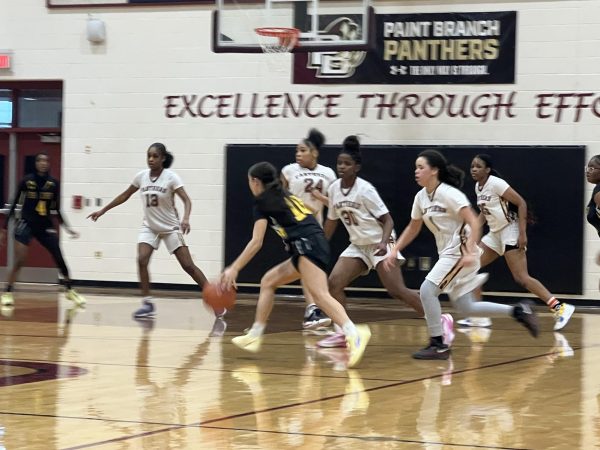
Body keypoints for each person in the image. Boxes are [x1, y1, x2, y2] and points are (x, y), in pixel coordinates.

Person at [383, 150, 539, 360]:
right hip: (449, 253)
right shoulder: (421, 197)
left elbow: (474, 221)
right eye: (416, 167)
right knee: (467, 307)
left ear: (434, 170)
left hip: (460, 251)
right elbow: (413, 226)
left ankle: (438, 344)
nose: (416, 171)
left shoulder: (449, 193)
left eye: (421, 167)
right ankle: (519, 311)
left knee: (427, 290)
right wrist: (395, 249)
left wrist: (469, 250)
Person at [219, 161, 371, 368]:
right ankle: (254, 334)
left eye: (249, 182)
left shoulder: (262, 202)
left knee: (320, 295)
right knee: (268, 281)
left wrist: (234, 267)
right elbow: (307, 211)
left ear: (255, 182)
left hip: (308, 245)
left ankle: (354, 333)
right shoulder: (284, 195)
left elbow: (256, 242)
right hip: (310, 243)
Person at [317, 135, 429, 349]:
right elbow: (331, 222)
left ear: (356, 167)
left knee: (396, 290)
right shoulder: (333, 189)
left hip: (380, 241)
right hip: (358, 245)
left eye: (347, 163)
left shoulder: (365, 189)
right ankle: (343, 333)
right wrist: (319, 245)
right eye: (339, 163)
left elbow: (388, 220)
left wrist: (384, 243)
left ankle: (439, 319)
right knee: (333, 284)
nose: (342, 167)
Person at [87, 143, 211, 319]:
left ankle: (213, 296)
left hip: (170, 227)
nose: (151, 159)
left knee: (188, 266)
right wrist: (102, 210)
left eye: (155, 156)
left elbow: (187, 200)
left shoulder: (171, 178)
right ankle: (147, 303)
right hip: (150, 227)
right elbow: (124, 195)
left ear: (163, 158)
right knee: (142, 259)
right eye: (149, 156)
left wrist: (185, 218)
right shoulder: (141, 177)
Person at [459, 154, 575, 330]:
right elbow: (485, 211)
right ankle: (479, 316)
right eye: (472, 166)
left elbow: (521, 203)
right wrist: (474, 227)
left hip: (510, 230)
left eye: (478, 166)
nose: (473, 169)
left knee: (521, 277)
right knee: (471, 267)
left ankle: (560, 308)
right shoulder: (478, 187)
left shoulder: (496, 183)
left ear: (487, 170)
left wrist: (522, 233)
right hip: (495, 233)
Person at [0, 152, 86, 309]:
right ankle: (8, 292)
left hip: (45, 225)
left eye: (46, 160)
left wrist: (68, 228)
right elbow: (13, 205)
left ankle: (70, 290)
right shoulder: (27, 181)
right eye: (40, 160)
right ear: (36, 163)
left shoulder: (54, 184)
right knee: (20, 260)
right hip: (26, 223)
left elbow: (57, 209)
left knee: (59, 257)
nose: (43, 163)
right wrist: (4, 229)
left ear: (49, 164)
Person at [281, 129, 336, 331]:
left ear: (314, 153)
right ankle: (312, 309)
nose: (298, 154)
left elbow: (336, 204)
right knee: (307, 266)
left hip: (317, 227)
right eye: (297, 150)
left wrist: (320, 201)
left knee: (313, 269)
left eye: (303, 150)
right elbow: (281, 198)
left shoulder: (328, 173)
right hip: (296, 226)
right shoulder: (289, 170)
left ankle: (315, 309)